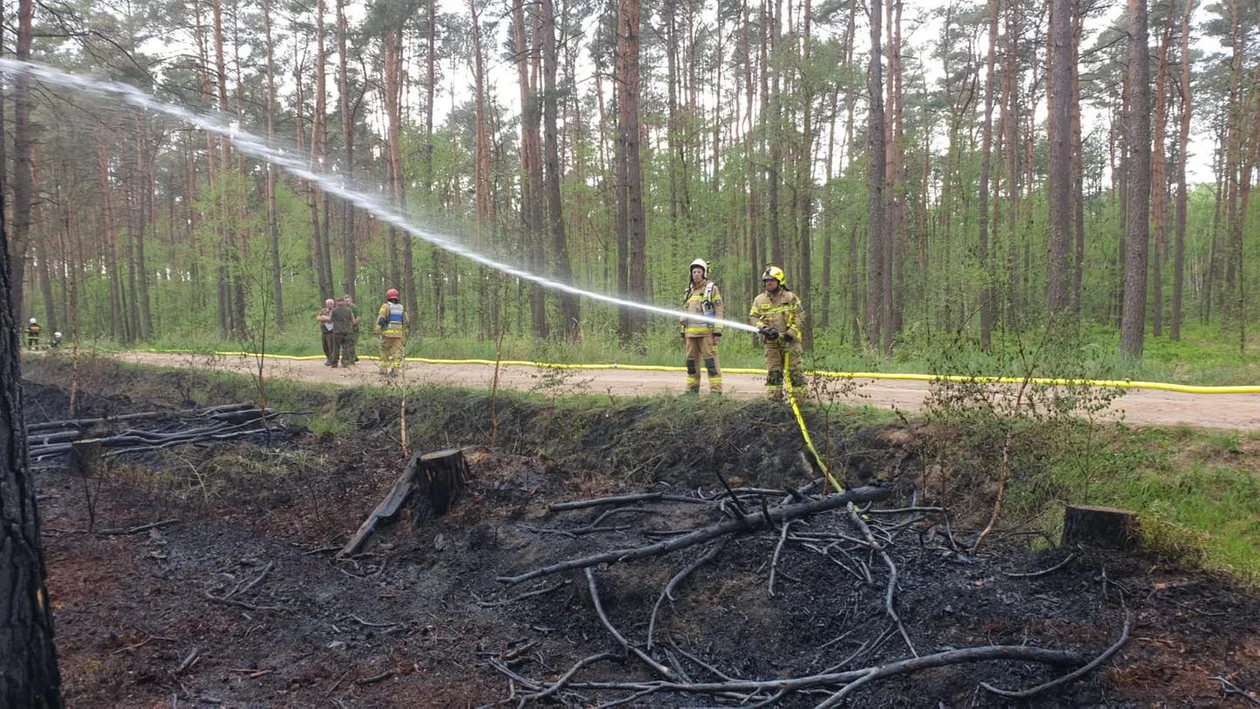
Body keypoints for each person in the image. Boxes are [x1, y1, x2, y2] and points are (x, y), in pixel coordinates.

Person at [749, 265, 805, 398]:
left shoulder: (790, 297)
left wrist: (791, 332)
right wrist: (764, 329)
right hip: (771, 343)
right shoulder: (759, 300)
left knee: (795, 371)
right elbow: (753, 317)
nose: (769, 283)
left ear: (780, 281)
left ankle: (799, 401)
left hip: (791, 342)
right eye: (766, 281)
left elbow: (800, 315)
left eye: (772, 280)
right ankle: (774, 401)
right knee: (774, 372)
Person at [679, 258, 724, 394]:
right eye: (694, 272)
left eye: (699, 272)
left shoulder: (711, 289)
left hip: (707, 335)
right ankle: (692, 391)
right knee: (691, 365)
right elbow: (684, 313)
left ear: (704, 273)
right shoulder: (689, 292)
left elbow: (719, 311)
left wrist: (717, 332)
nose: (696, 274)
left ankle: (716, 392)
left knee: (711, 364)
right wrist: (683, 332)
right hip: (690, 335)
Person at [374, 288, 407, 376]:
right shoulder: (401, 308)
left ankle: (383, 371)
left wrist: (377, 330)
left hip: (387, 334)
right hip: (398, 335)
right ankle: (395, 371)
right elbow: (405, 321)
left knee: (384, 352)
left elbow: (381, 319)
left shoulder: (386, 306)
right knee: (397, 353)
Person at [330, 298, 356, 367]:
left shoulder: (334, 311)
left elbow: (330, 320)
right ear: (343, 302)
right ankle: (345, 362)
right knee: (346, 347)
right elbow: (353, 320)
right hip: (347, 331)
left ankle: (334, 363)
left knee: (336, 348)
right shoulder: (349, 310)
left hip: (337, 332)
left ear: (336, 302)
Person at [316, 299, 336, 366]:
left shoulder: (335, 311)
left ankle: (331, 360)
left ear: (333, 304)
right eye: (328, 304)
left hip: (331, 331)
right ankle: (328, 358)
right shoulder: (323, 310)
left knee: (331, 346)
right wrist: (325, 318)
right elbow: (318, 317)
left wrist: (324, 318)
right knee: (325, 346)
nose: (329, 305)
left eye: (330, 304)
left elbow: (331, 320)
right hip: (324, 330)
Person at [344, 294, 362, 363]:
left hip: (354, 329)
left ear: (350, 300)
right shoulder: (344, 308)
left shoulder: (354, 308)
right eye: (345, 301)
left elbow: (358, 318)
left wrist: (353, 324)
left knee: (352, 343)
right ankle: (353, 356)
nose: (346, 302)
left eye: (347, 301)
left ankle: (352, 358)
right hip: (346, 328)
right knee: (347, 343)